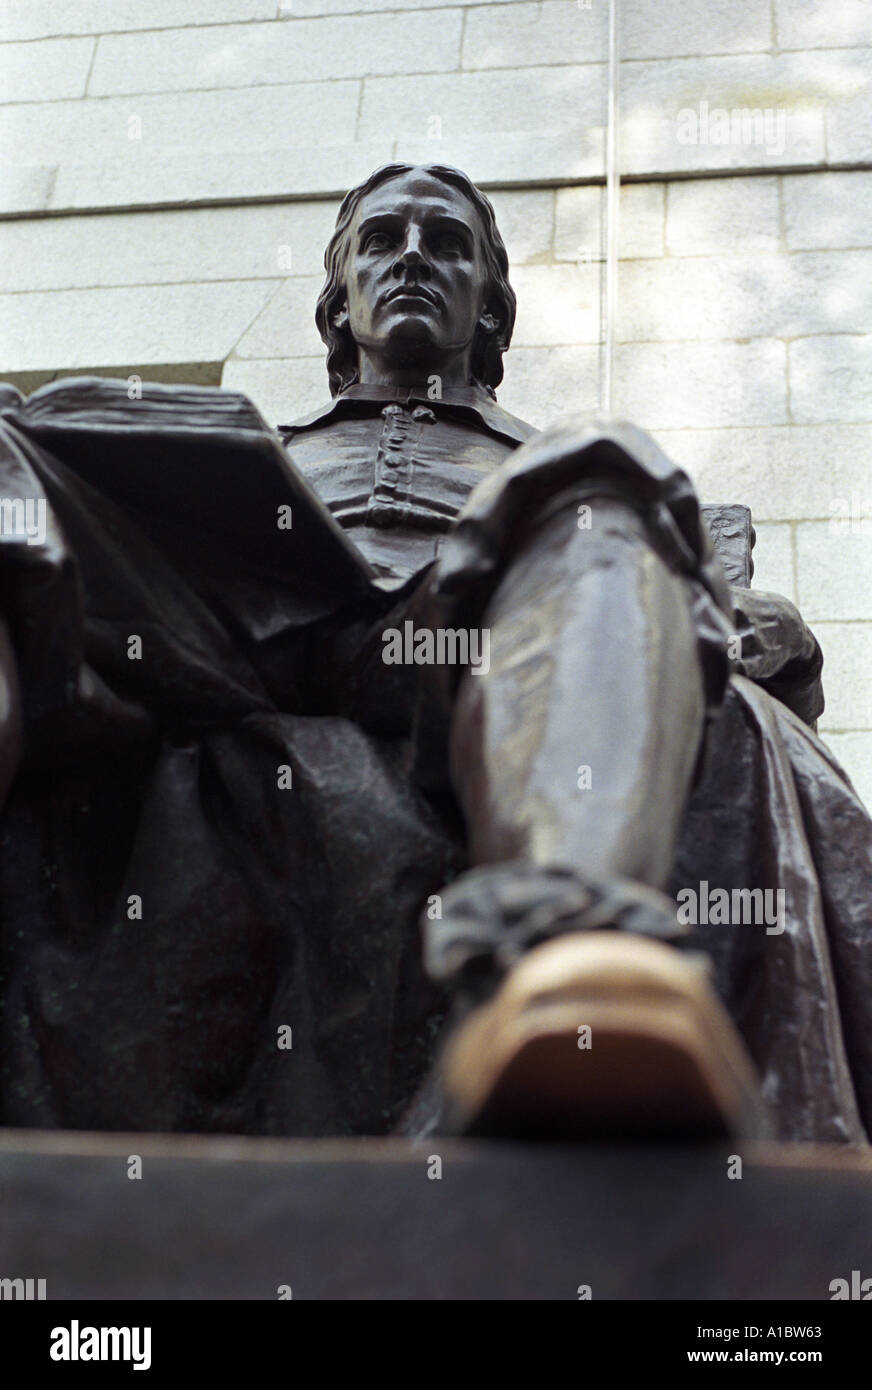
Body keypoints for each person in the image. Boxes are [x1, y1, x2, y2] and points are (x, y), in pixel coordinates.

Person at [1, 164, 870, 1144]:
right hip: (217, 636)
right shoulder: (265, 442)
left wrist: (747, 620)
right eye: (381, 240)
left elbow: (721, 628)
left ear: (489, 308)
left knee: (595, 474)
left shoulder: (556, 465)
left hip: (456, 654)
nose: (411, 256)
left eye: (445, 242)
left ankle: (571, 958)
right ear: (338, 305)